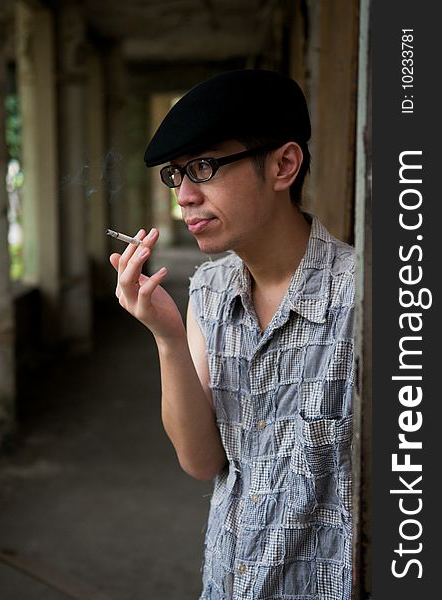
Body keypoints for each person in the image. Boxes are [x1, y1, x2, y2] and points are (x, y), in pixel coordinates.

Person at [109, 70, 354, 600]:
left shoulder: (364, 298)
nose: (187, 196)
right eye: (178, 175)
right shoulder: (210, 288)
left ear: (284, 165)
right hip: (229, 580)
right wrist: (168, 338)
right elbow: (202, 462)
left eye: (204, 167)